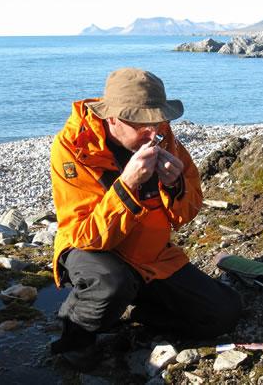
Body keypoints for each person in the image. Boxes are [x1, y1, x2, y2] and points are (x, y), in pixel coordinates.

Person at [50, 67, 242, 370]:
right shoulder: (72, 148)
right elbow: (87, 236)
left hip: (151, 255)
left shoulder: (164, 138)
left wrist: (175, 185)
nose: (155, 133)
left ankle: (136, 311)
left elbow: (184, 216)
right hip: (92, 250)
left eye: (160, 120)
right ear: (112, 118)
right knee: (110, 283)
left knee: (223, 313)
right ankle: (75, 336)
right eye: (142, 123)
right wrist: (127, 186)